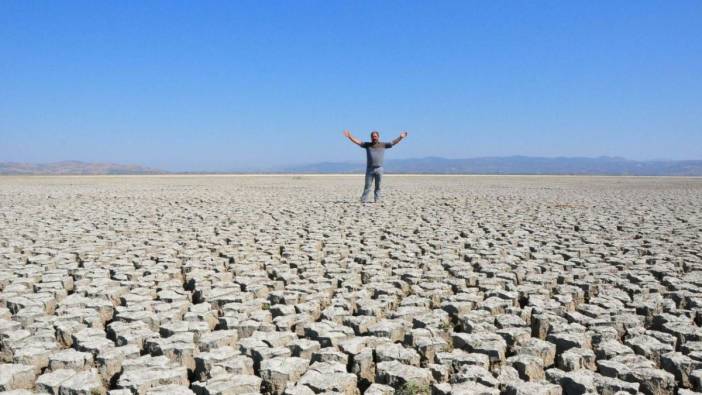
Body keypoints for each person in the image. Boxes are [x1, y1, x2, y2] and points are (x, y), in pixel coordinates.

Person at [343, 129, 408, 203]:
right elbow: (358, 142)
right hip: (370, 169)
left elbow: (393, 143)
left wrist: (400, 137)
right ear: (371, 137)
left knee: (378, 186)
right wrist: (349, 136)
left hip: (379, 169)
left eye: (375, 136)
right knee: (367, 186)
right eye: (373, 136)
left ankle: (377, 200)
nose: (374, 137)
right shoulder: (367, 145)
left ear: (378, 137)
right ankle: (363, 200)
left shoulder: (383, 145)